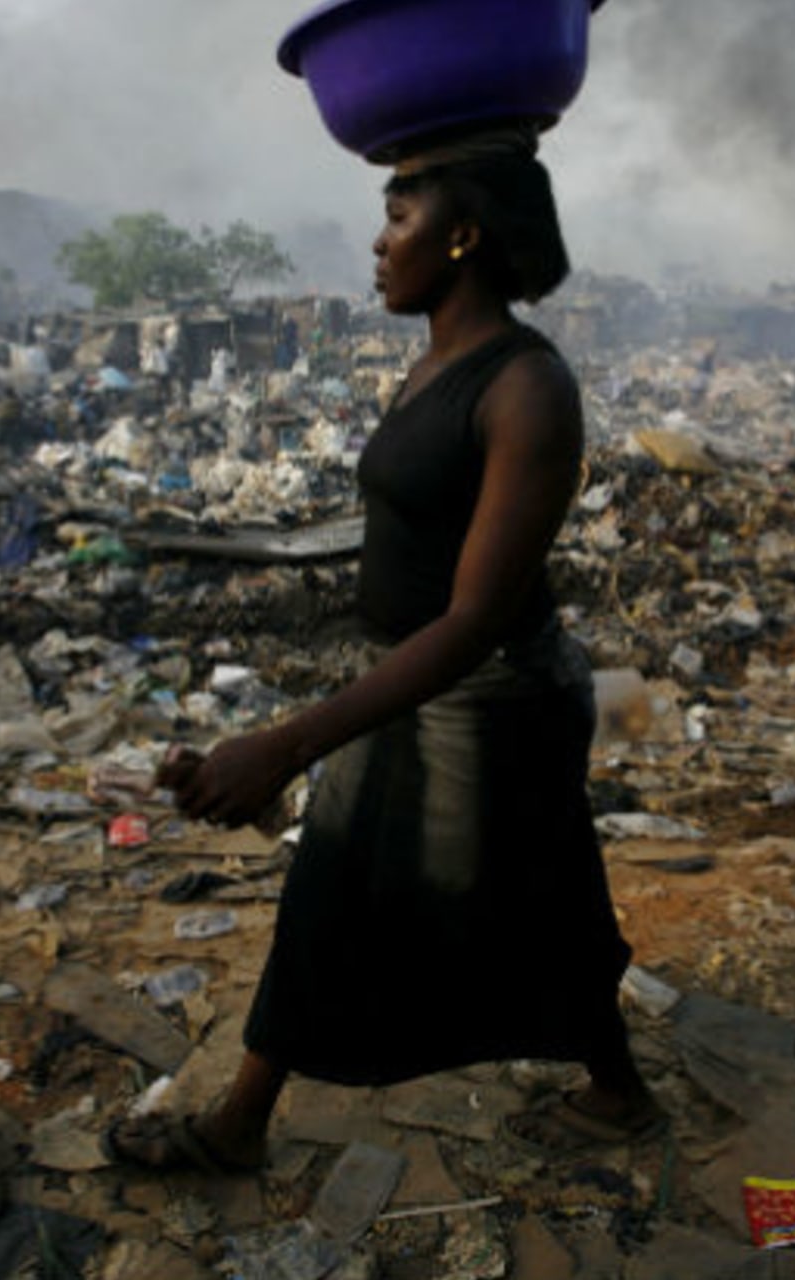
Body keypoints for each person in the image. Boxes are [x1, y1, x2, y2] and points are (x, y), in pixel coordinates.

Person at [114, 130, 662, 1173]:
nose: (376, 244)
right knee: (333, 881)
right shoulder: (434, 364)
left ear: (462, 237)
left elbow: (475, 616)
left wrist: (283, 744)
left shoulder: (527, 388)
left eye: (397, 219)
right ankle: (240, 1120)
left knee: (536, 904)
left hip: (494, 692)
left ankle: (620, 1091)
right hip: (419, 678)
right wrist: (289, 744)